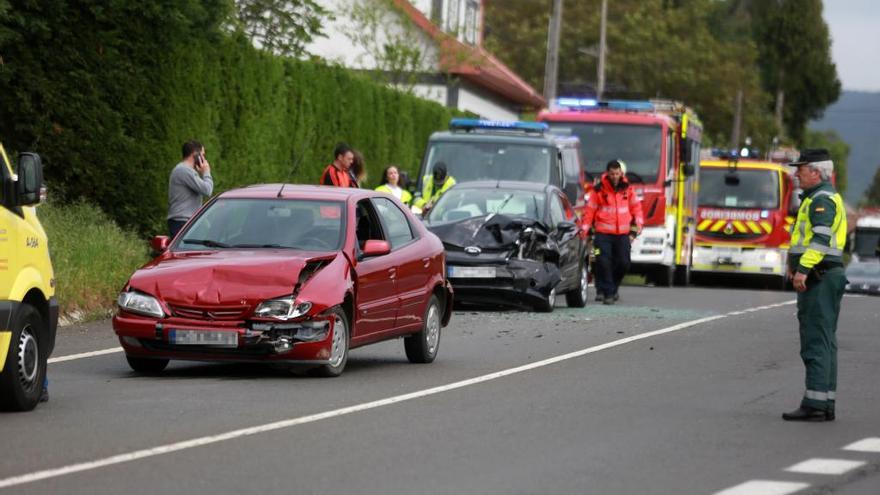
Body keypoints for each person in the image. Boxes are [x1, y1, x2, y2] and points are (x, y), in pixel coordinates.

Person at [782, 148, 847, 422]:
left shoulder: (821, 200)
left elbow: (819, 240)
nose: (797, 173)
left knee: (815, 340)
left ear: (817, 172)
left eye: (802, 168)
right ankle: (824, 401)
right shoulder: (816, 198)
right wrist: (792, 262)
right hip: (824, 275)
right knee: (824, 339)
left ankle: (815, 403)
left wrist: (803, 269)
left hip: (819, 276)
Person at [582, 159, 644, 305]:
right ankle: (606, 292)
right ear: (608, 174)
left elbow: (637, 209)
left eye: (617, 173)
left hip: (623, 235)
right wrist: (585, 231)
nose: (615, 176)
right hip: (602, 234)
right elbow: (589, 211)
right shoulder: (598, 190)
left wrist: (637, 228)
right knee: (601, 261)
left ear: (621, 173)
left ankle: (611, 288)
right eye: (612, 174)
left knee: (623, 263)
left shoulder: (628, 190)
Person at [167, 140, 213, 238]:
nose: (204, 159)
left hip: (185, 221)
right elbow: (207, 190)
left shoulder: (186, 171)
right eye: (203, 155)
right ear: (196, 154)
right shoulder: (184, 170)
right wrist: (206, 172)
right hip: (181, 222)